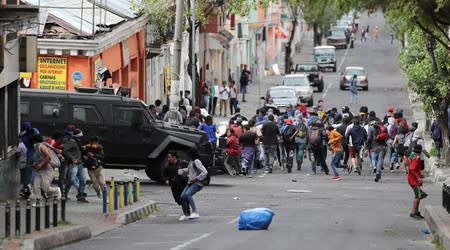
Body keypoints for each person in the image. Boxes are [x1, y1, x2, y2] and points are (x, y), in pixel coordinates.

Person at [178, 148, 208, 221]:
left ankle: (195, 212)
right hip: (190, 182)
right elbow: (190, 170)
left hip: (197, 183)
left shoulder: (196, 161)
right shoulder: (191, 161)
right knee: (182, 197)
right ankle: (186, 214)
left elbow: (205, 172)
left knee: (188, 194)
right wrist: (183, 170)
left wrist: (196, 178)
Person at [31, 134, 62, 204]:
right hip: (40, 170)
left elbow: (48, 157)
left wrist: (40, 164)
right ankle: (38, 202)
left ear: (34, 140)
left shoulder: (42, 147)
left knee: (46, 188)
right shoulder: (36, 147)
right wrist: (35, 165)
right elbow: (39, 159)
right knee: (36, 186)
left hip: (47, 170)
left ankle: (56, 190)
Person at [62, 128, 88, 202]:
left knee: (83, 180)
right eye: (80, 136)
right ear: (78, 136)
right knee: (71, 180)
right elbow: (65, 150)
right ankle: (65, 193)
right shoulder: (72, 141)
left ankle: (81, 195)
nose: (81, 138)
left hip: (80, 163)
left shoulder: (78, 142)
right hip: (73, 164)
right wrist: (71, 159)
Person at [163, 151, 188, 215]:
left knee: (184, 198)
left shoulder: (182, 163)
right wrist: (166, 180)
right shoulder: (167, 166)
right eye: (168, 157)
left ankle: (187, 213)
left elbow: (190, 168)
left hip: (183, 183)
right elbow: (164, 175)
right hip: (174, 185)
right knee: (178, 200)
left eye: (169, 157)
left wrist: (185, 173)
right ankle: (184, 205)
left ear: (174, 157)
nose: (168, 159)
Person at [407, 144, 427, 220]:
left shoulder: (412, 155)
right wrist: (418, 177)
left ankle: (417, 211)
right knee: (418, 195)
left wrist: (420, 175)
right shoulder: (416, 158)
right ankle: (413, 212)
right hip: (414, 180)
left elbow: (408, 165)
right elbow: (412, 169)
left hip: (411, 178)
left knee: (420, 195)